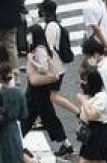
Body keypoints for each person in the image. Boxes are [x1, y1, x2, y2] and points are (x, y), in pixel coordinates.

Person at [23, 24, 73, 156]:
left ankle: (66, 144)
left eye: (30, 35)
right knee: (29, 116)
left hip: (39, 89)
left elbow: (43, 68)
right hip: (37, 90)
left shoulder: (40, 49)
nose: (28, 37)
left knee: (47, 117)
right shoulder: (38, 48)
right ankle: (17, 141)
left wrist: (31, 61)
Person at [78, 69, 107, 163]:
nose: (83, 84)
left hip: (98, 132)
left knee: (88, 160)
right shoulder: (92, 95)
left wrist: (84, 101)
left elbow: (91, 115)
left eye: (85, 81)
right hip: (92, 131)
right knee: (92, 159)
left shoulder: (101, 97)